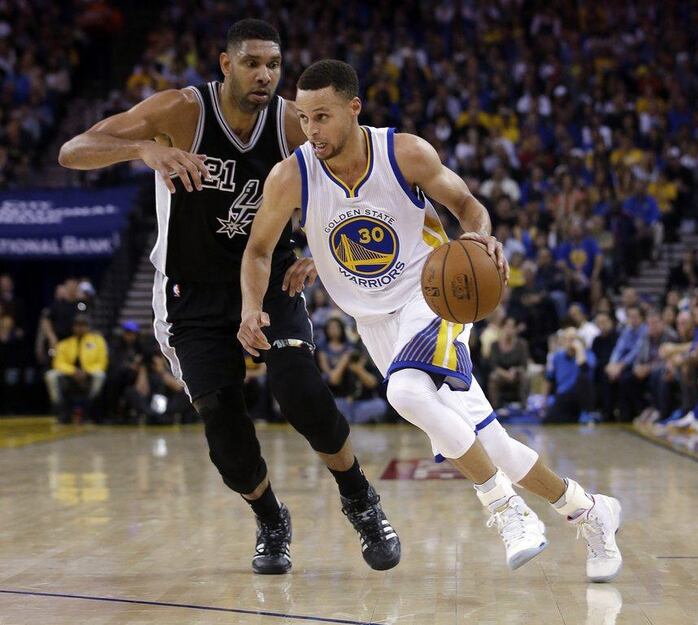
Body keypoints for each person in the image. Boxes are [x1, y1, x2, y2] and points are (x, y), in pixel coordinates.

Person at [240, 59, 622, 581]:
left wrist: (479, 238)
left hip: (435, 296)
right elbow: (259, 250)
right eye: (304, 118)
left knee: (404, 393)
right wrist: (251, 305)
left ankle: (506, 510)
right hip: (374, 322)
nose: (312, 131)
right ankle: (590, 511)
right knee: (494, 446)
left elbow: (468, 206)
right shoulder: (292, 175)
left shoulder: (404, 153)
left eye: (323, 116)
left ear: (354, 108)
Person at [58, 20, 399, 575]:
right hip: (190, 291)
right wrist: (145, 149)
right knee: (225, 432)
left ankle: (360, 498)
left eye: (273, 64)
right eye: (252, 63)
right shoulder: (181, 112)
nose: (264, 74)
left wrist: (325, 248)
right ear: (226, 65)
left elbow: (356, 177)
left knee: (301, 392)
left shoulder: (293, 122)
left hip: (269, 278)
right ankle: (270, 518)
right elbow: (73, 151)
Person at [44, 314, 108, 423]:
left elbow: (102, 362)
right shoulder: (65, 343)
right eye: (77, 325)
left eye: (83, 325)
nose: (80, 328)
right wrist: (73, 371)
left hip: (89, 375)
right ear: (73, 327)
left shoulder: (98, 341)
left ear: (88, 327)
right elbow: (58, 363)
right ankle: (61, 411)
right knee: (50, 375)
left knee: (100, 375)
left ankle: (88, 409)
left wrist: (86, 372)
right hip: (70, 376)